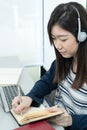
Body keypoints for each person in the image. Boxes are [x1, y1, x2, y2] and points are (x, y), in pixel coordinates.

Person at [12, 2, 87, 130]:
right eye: (54, 38)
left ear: (82, 36)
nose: (57, 45)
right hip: (55, 124)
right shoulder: (66, 58)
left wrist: (71, 120)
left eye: (63, 39)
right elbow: (47, 80)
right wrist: (30, 97)